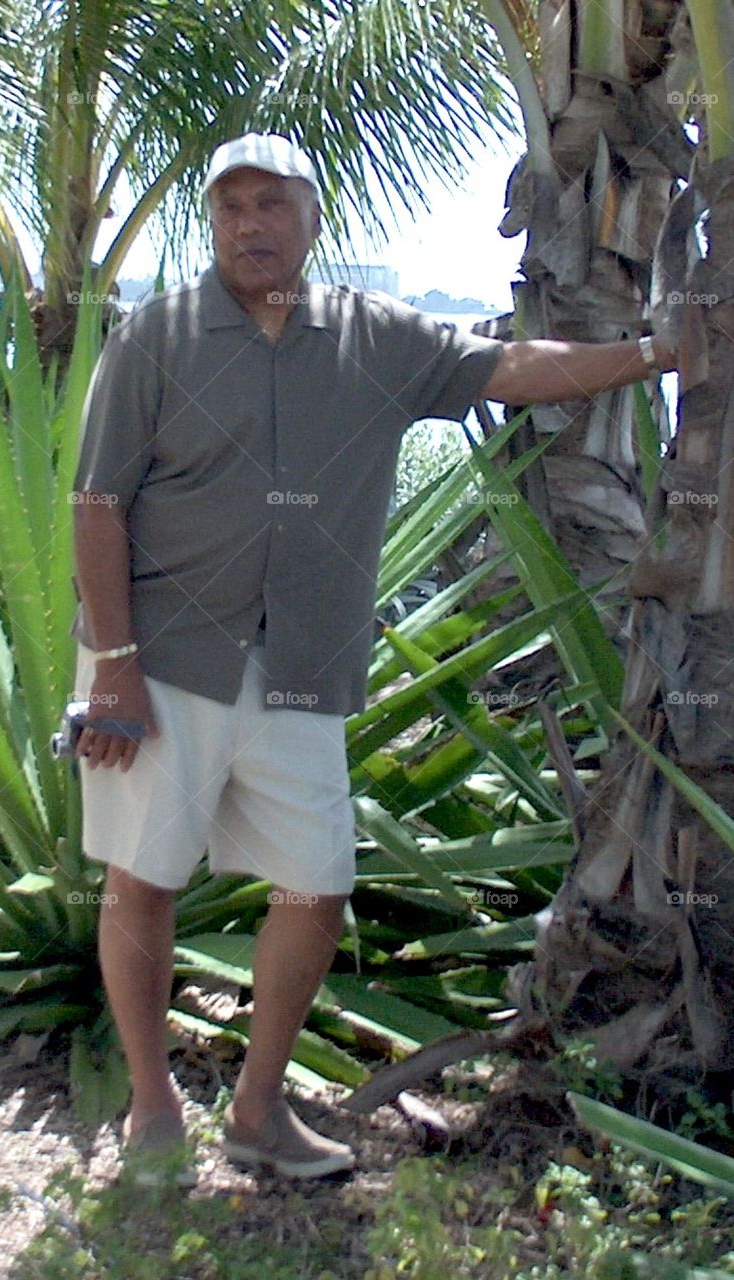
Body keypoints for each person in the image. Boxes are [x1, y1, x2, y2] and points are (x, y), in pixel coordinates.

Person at [71, 132, 674, 1185]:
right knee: (141, 878)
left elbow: (512, 367)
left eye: (271, 205)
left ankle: (256, 1111)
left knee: (314, 882)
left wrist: (657, 353)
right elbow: (96, 503)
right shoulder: (154, 339)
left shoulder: (374, 337)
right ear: (212, 224)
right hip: (162, 656)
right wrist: (114, 661)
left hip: (300, 660)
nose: (249, 225)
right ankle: (153, 1105)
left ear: (312, 217)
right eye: (230, 209)